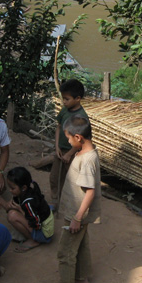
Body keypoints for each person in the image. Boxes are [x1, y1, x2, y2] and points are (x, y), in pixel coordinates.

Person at [49, 115, 101, 283]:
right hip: (78, 213)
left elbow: (90, 191)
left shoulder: (86, 161)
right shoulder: (87, 152)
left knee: (65, 252)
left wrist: (77, 217)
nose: (68, 142)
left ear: (78, 137)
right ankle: (81, 277)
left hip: (77, 213)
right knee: (81, 244)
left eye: (69, 138)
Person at [0, 166, 54, 253]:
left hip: (45, 234)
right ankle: (32, 236)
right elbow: (9, 207)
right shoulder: (24, 192)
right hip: (39, 224)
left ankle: (33, 240)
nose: (10, 191)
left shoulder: (28, 203)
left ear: (23, 188)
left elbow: (36, 224)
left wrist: (21, 211)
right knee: (12, 213)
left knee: (12, 215)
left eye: (12, 188)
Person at [49, 79, 88, 210]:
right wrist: (57, 146)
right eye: (63, 99)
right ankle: (55, 201)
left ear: (78, 98)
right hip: (60, 151)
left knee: (71, 181)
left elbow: (82, 140)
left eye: (66, 99)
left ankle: (70, 205)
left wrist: (70, 154)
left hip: (73, 154)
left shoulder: (81, 117)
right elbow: (59, 127)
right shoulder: (64, 111)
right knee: (54, 177)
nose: (64, 102)